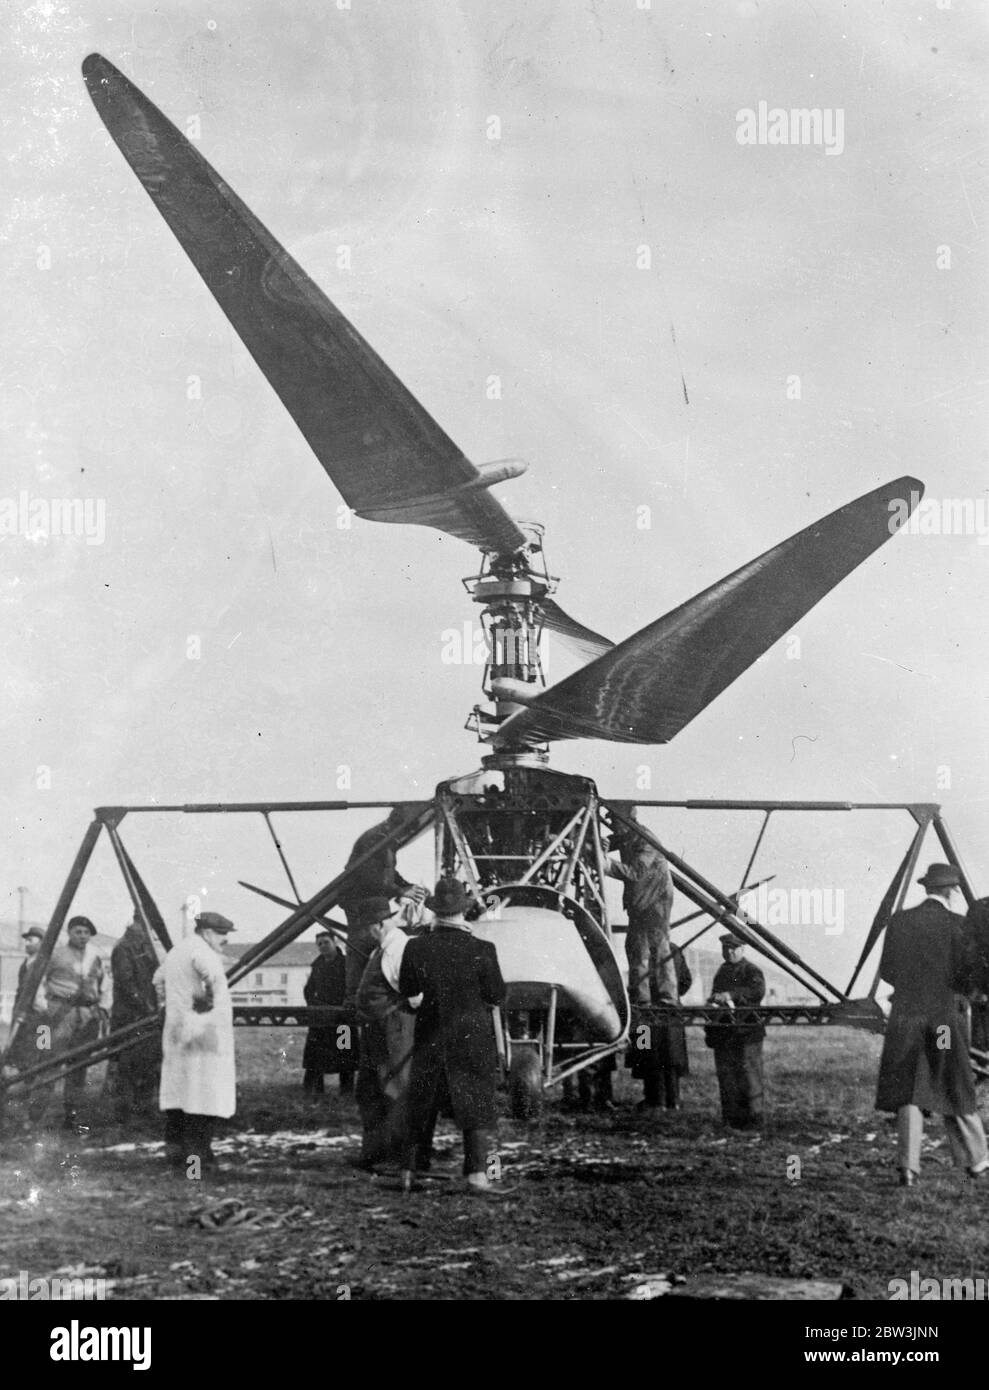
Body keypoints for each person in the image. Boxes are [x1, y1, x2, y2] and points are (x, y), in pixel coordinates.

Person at [876, 864, 988, 1187]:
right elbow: (968, 973)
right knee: (953, 1079)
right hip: (943, 1023)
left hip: (907, 1019)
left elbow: (888, 972)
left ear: (927, 889)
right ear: (952, 892)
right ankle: (977, 1161)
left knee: (911, 1087)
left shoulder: (899, 923)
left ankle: (908, 1168)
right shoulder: (958, 925)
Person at [398, 877, 508, 1196]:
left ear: (435, 911)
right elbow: (497, 995)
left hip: (430, 1032)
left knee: (422, 1103)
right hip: (471, 1036)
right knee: (475, 1104)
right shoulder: (483, 948)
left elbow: (407, 989)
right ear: (464, 910)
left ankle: (409, 1171)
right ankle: (478, 1175)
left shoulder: (415, 946)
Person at [156, 911, 237, 1177]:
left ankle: (175, 1154)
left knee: (179, 1092)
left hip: (178, 1030)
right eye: (222, 934)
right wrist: (206, 1002)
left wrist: (170, 1006)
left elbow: (156, 979)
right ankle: (198, 1158)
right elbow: (214, 981)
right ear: (207, 932)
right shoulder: (203, 953)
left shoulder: (178, 950)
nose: (225, 940)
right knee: (203, 1094)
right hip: (202, 1030)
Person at [353, 898, 421, 1169]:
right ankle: (373, 1153)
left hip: (394, 1028)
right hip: (376, 1030)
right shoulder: (381, 949)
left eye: (367, 927)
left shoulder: (398, 949)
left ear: (379, 924)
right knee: (369, 1090)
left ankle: (395, 1157)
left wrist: (397, 1015)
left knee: (394, 1090)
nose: (364, 932)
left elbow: (416, 994)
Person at [339, 808, 426, 1002]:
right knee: (369, 946)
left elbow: (387, 872)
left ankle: (368, 996)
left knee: (377, 945)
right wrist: (401, 891)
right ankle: (359, 999)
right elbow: (370, 878)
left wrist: (405, 886)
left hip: (371, 902)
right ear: (400, 827)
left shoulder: (383, 837)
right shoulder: (377, 839)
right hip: (363, 905)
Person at [43, 915, 110, 1129]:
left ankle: (71, 1114)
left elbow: (106, 985)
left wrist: (102, 1008)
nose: (82, 936)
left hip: (87, 1015)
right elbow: (37, 982)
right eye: (78, 932)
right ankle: (38, 1113)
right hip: (60, 1013)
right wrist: (45, 1008)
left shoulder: (96, 956)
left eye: (86, 933)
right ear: (69, 933)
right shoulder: (56, 955)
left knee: (79, 1065)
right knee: (51, 1062)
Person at [606, 808, 678, 1006]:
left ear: (627, 820)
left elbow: (636, 872)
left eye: (615, 820)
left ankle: (667, 998)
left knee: (658, 947)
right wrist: (599, 844)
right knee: (636, 948)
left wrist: (606, 864)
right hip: (640, 902)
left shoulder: (645, 839)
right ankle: (641, 998)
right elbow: (607, 842)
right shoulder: (627, 835)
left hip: (656, 901)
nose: (612, 825)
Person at [704, 933, 766, 1130]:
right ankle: (731, 1119)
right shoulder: (722, 971)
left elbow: (757, 992)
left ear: (742, 949)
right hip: (726, 1033)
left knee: (749, 1076)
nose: (729, 952)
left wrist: (730, 995)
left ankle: (754, 1119)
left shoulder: (751, 970)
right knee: (728, 1078)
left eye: (733, 948)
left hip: (747, 1032)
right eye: (725, 948)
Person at [110, 914, 163, 1125]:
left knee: (148, 1062)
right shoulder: (124, 947)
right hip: (129, 1015)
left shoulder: (144, 946)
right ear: (136, 923)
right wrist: (145, 1005)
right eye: (144, 926)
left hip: (146, 1012)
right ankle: (123, 1113)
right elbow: (126, 982)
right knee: (127, 1064)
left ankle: (144, 1108)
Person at [631, 942, 692, 1112]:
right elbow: (686, 980)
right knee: (670, 1058)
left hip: (646, 1014)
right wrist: (673, 995)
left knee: (647, 1055)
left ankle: (654, 1099)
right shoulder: (673, 949)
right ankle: (673, 1100)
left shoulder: (640, 948)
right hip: (670, 1014)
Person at [302, 930, 353, 1097]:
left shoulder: (346, 963)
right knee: (317, 1054)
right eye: (319, 944)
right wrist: (314, 1006)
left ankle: (346, 1090)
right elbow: (309, 989)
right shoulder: (317, 965)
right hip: (321, 1017)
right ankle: (316, 1089)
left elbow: (352, 988)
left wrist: (346, 1004)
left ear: (335, 942)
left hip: (342, 1018)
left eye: (326, 942)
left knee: (344, 1052)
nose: (323, 946)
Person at [3, 928, 48, 1077]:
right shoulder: (28, 961)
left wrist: (43, 1010)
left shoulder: (44, 962)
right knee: (19, 1049)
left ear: (42, 943)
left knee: (40, 1048)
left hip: (39, 1013)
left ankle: (35, 1084)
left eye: (31, 940)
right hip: (23, 1012)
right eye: (26, 940)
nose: (26, 944)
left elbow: (43, 990)